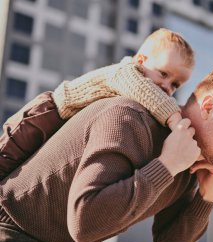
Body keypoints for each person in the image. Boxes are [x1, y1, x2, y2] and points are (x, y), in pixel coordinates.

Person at [0, 66, 213, 242]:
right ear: (209, 106)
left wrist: (207, 196)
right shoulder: (129, 118)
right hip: (13, 234)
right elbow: (85, 223)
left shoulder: (190, 160)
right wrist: (166, 166)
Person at [0, 28, 193, 180]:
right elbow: (145, 91)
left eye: (175, 84)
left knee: (22, 172)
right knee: (6, 160)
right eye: (163, 74)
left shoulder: (147, 98)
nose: (167, 86)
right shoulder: (126, 72)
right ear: (141, 61)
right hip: (46, 114)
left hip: (62, 130)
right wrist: (175, 118)